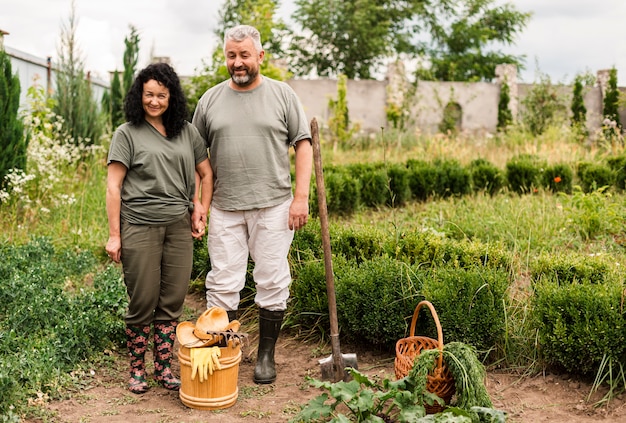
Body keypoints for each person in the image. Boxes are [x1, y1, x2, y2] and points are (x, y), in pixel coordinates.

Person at [192, 24, 312, 384]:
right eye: (232, 55)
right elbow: (196, 157)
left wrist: (301, 197)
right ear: (225, 57)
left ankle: (265, 357)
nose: (238, 62)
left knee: (272, 280)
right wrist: (196, 204)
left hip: (274, 205)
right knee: (223, 281)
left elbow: (303, 144)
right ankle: (226, 352)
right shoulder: (210, 100)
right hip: (225, 207)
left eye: (245, 55)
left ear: (260, 56)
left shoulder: (283, 95)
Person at [105, 62, 213, 394]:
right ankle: (137, 369)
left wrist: (200, 209)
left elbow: (206, 174)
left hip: (179, 226)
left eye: (161, 95)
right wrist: (114, 234)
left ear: (171, 97)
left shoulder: (186, 131)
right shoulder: (127, 133)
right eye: (149, 94)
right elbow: (113, 186)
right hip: (139, 226)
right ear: (140, 95)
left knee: (172, 300)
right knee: (143, 299)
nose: (154, 101)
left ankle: (163, 368)